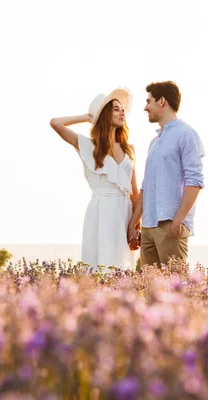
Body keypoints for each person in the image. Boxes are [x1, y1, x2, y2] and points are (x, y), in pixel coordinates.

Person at [50, 88, 139, 272]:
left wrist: (135, 226)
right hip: (101, 211)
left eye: (122, 109)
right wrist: (87, 117)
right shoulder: (89, 146)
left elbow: (135, 193)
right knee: (99, 266)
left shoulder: (129, 148)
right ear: (105, 115)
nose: (122, 112)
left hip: (124, 213)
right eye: (116, 109)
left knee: (122, 269)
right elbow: (56, 123)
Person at [127, 81, 205, 268]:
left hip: (170, 225)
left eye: (149, 101)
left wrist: (178, 221)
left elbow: (195, 181)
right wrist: (134, 223)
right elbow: (146, 186)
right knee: (148, 291)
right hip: (148, 227)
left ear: (162, 101)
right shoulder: (154, 142)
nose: (145, 107)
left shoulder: (186, 134)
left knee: (176, 290)